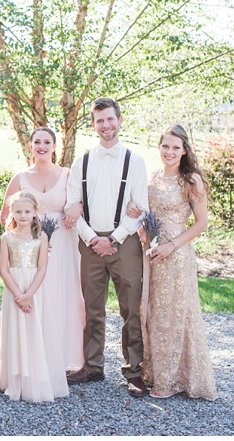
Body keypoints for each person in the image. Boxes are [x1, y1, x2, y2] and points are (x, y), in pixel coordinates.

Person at [64, 97, 150, 398]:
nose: (106, 125)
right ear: (93, 124)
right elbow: (71, 207)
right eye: (100, 120)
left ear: (120, 120)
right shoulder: (81, 162)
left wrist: (113, 239)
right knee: (93, 308)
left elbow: (141, 208)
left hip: (124, 243)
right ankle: (93, 365)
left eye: (110, 119)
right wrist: (93, 239)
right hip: (90, 244)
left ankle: (135, 371)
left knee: (131, 310)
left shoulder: (135, 161)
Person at [125, 125, 217, 400]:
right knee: (152, 311)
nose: (170, 152)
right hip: (151, 251)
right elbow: (145, 211)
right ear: (159, 147)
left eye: (176, 147)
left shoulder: (191, 180)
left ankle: (173, 378)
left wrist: (171, 245)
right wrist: (139, 220)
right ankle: (154, 371)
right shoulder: (152, 177)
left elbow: (202, 223)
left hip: (176, 253)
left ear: (185, 150)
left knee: (175, 314)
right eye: (165, 146)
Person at [0, 127, 85, 374]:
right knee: (36, 294)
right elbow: (7, 214)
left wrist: (76, 207)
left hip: (62, 242)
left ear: (55, 146)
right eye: (37, 141)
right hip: (30, 245)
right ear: (30, 145)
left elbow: (80, 202)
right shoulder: (20, 177)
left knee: (63, 294)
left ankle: (63, 357)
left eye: (47, 141)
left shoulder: (68, 174)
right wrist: (24, 239)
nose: (42, 146)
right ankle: (33, 355)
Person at [0, 191, 69, 402]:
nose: (23, 215)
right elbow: (3, 269)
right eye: (18, 211)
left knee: (34, 329)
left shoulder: (41, 237)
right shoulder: (6, 237)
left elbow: (42, 268)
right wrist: (19, 296)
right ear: (12, 213)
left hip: (34, 289)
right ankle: (16, 380)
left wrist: (29, 295)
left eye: (27, 211)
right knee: (16, 330)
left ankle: (35, 377)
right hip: (14, 289)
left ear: (36, 212)